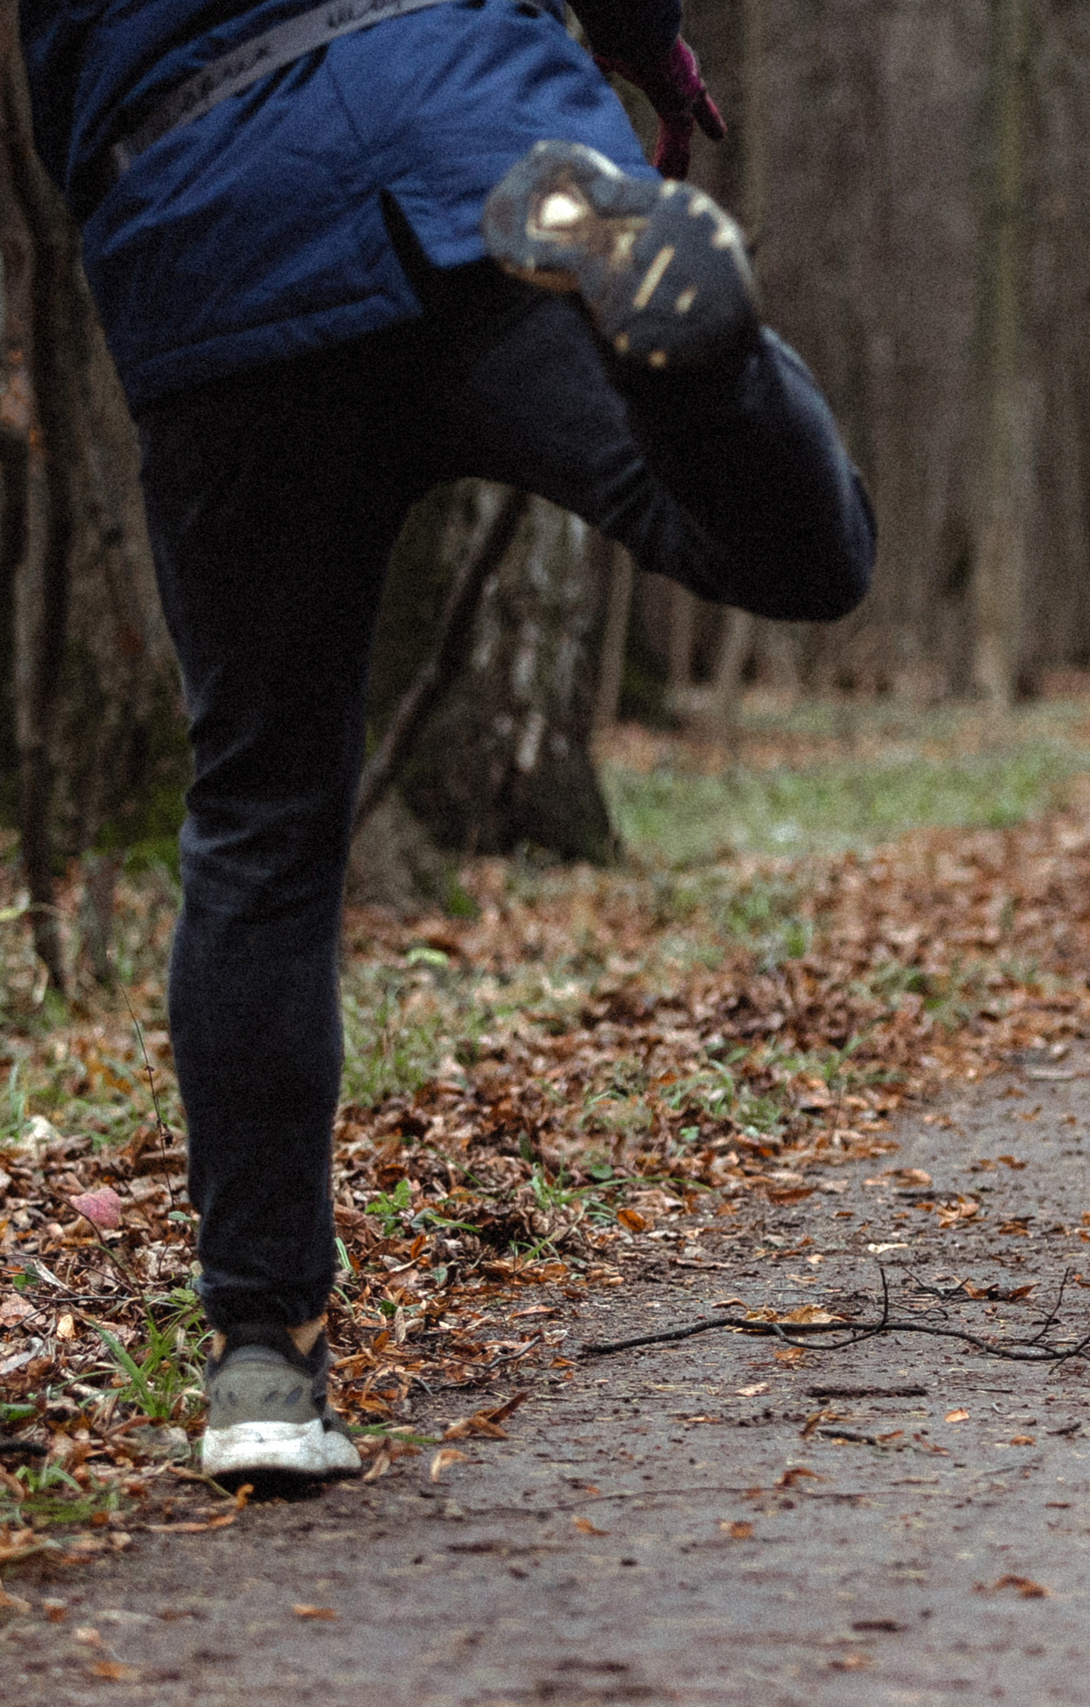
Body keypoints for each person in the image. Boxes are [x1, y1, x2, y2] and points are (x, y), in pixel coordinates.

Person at [19, 0, 875, 1488]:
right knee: (796, 548)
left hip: (207, 231)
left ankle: (262, 1359)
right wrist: (646, 42)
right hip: (471, 144)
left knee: (264, 814)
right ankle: (694, 356)